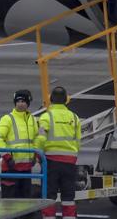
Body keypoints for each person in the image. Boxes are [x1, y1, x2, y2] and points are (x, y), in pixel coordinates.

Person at [35, 86, 81, 219]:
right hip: (70, 163)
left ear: (51, 99)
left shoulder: (46, 117)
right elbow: (78, 141)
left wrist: (38, 156)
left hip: (51, 162)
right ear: (66, 100)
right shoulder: (74, 117)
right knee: (68, 197)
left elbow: (41, 139)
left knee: (49, 196)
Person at [0, 89, 39, 199]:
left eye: (23, 101)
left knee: (25, 202)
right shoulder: (7, 119)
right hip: (11, 168)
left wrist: (35, 155)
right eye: (18, 101)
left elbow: (36, 139)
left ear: (28, 103)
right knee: (10, 202)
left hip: (27, 169)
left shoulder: (32, 119)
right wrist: (7, 157)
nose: (20, 104)